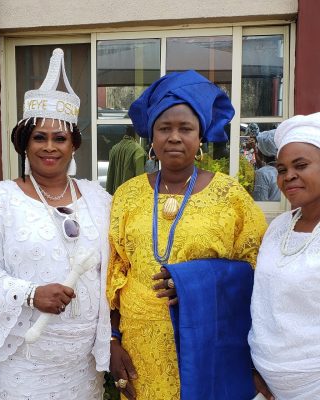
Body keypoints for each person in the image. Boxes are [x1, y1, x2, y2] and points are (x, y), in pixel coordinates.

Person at [107, 70, 268, 399]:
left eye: (185, 128)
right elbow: (113, 270)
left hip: (208, 344)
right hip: (139, 346)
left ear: (201, 137)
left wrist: (196, 285)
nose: (174, 137)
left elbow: (257, 268)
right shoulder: (127, 195)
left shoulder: (231, 196)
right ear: (151, 138)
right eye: (164, 128)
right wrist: (111, 340)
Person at [0, 48, 111, 400]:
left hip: (82, 367)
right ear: (24, 145)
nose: (49, 147)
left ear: (74, 144)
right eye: (39, 138)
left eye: (59, 138)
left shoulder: (99, 200)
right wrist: (30, 294)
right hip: (21, 363)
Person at [249, 112, 320, 400]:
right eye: (281, 168)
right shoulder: (279, 226)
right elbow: (263, 305)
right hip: (266, 384)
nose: (288, 175)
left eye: (300, 165)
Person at [106, 126, 146, 195]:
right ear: (136, 135)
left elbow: (110, 175)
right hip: (130, 197)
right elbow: (140, 177)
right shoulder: (138, 150)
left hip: (115, 196)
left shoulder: (114, 148)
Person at [253, 129, 281, 201]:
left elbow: (260, 202)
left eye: (258, 148)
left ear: (263, 151)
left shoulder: (262, 173)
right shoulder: (282, 170)